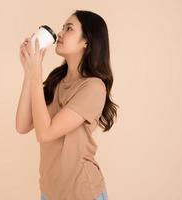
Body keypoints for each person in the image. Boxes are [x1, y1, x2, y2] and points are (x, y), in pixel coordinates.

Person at [16, 9, 118, 200]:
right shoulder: (57, 80)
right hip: (50, 191)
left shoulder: (94, 87)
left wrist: (35, 74)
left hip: (81, 192)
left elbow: (45, 133)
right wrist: (28, 72)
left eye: (69, 28)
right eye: (62, 27)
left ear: (86, 42)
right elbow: (22, 126)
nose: (60, 33)